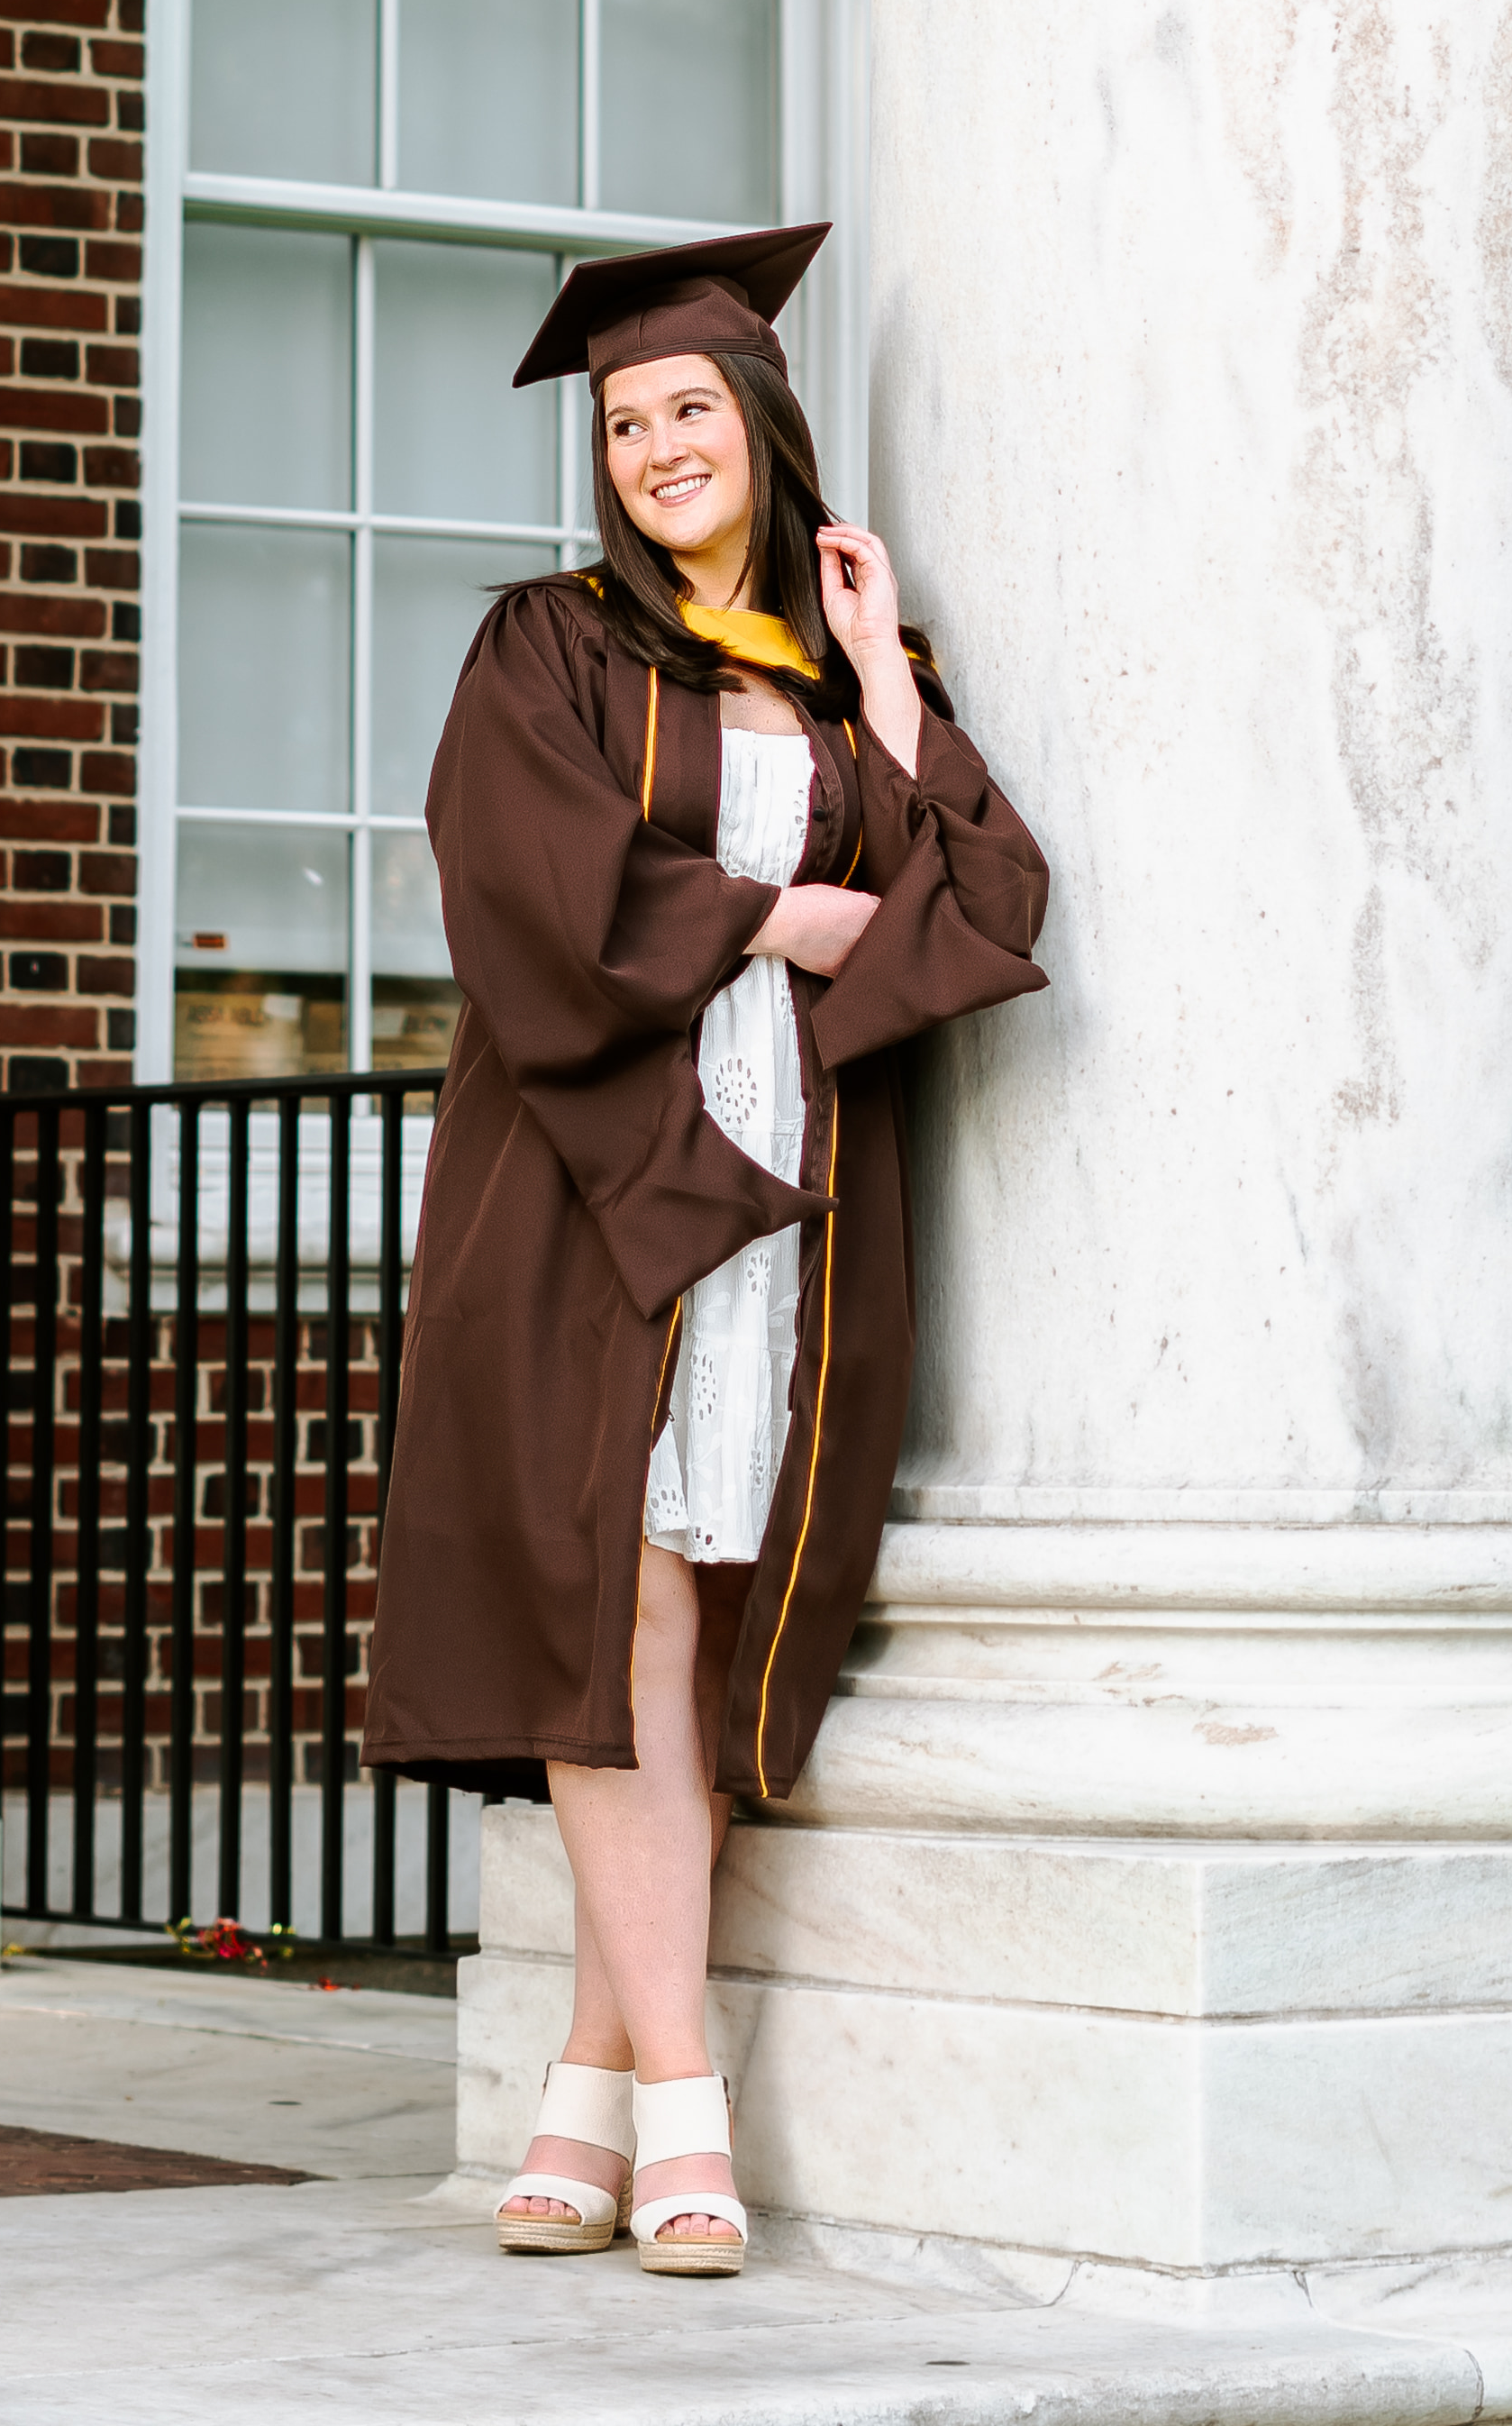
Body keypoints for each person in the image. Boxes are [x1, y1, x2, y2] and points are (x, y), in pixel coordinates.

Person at [362, 223, 1047, 2276]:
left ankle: (584, 2081)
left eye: (688, 408)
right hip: (599, 1179)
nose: (657, 445)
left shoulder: (846, 692)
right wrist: (765, 915)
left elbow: (987, 896)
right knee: (620, 1604)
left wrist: (891, 667)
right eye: (625, 420)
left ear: (759, 421)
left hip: (800, 1194)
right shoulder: (546, 651)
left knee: (708, 1612)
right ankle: (687, 2102)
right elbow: (528, 879)